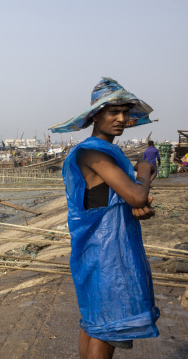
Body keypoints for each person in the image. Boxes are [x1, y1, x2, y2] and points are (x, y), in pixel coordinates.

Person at [50, 77, 159, 359]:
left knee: (94, 324)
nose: (121, 119)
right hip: (107, 254)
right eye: (113, 112)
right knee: (106, 329)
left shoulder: (107, 153)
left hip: (101, 250)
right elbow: (135, 195)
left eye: (125, 112)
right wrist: (146, 168)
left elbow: (126, 200)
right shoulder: (92, 152)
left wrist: (139, 204)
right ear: (95, 115)